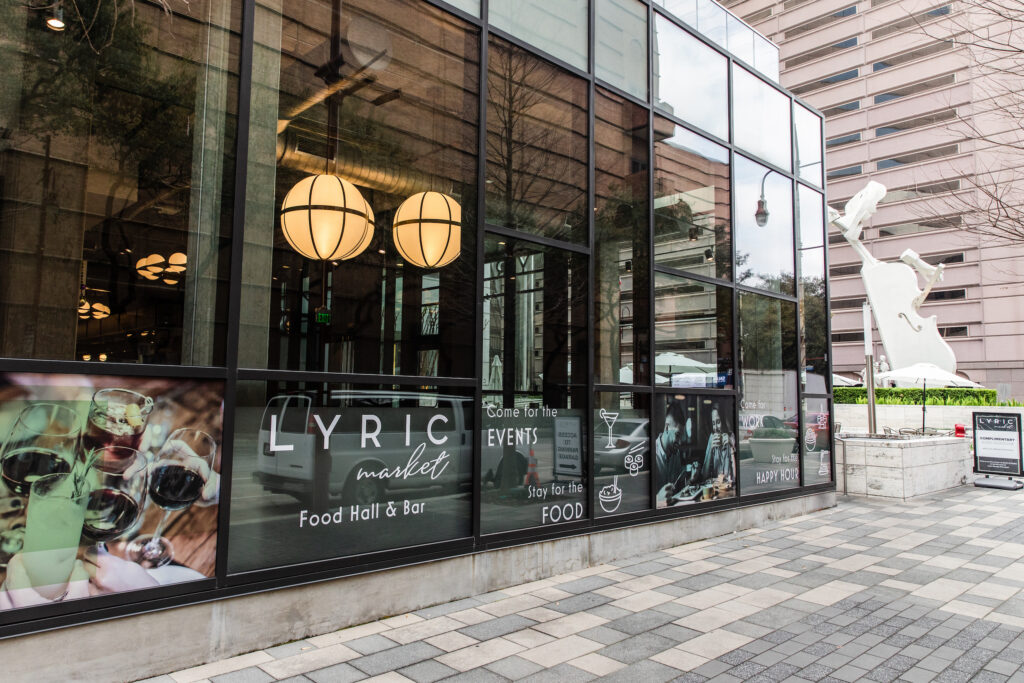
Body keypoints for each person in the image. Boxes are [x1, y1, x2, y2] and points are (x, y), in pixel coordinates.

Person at [701, 404, 735, 483]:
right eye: (713, 423)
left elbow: (735, 478)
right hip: (715, 488)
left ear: (724, 420)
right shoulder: (712, 438)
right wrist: (710, 451)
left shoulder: (731, 436)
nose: (715, 428)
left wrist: (731, 447)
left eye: (718, 422)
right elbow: (704, 475)